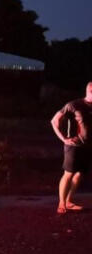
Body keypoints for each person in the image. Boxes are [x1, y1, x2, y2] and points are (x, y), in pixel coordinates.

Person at [51, 81, 92, 213]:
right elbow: (54, 120)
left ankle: (68, 201)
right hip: (74, 145)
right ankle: (61, 204)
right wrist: (63, 138)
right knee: (68, 174)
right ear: (89, 90)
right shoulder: (74, 105)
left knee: (79, 174)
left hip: (88, 146)